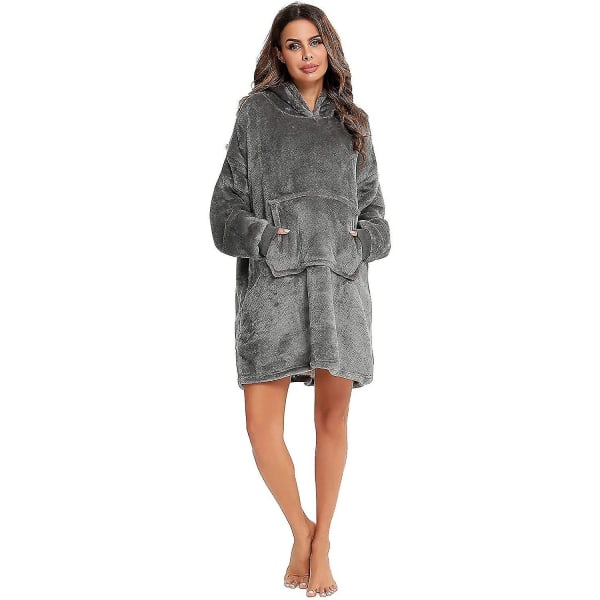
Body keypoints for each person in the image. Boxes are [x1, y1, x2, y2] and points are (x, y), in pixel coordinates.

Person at [209, 3, 391, 596]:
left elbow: (377, 215)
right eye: (294, 45)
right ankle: (302, 530)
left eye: (315, 42)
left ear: (329, 47)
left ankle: (325, 543)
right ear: (279, 54)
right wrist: (263, 238)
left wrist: (361, 243)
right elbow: (223, 210)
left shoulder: (355, 122)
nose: (307, 54)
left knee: (331, 419)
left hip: (340, 288)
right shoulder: (255, 114)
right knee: (261, 425)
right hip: (274, 289)